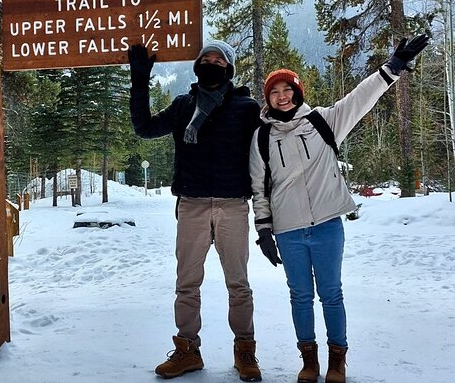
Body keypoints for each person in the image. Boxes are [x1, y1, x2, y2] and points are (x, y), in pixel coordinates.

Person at [249, 35, 429, 383]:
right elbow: (259, 188)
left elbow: (359, 99)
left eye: (287, 90)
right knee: (300, 296)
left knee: (331, 294)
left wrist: (390, 69)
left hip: (327, 226)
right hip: (288, 230)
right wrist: (264, 229)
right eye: (275, 91)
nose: (282, 96)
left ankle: (337, 361)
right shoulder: (262, 138)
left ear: (297, 93)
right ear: (268, 98)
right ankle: (309, 361)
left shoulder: (323, 122)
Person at [128, 41, 262, 381]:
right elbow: (144, 128)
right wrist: (140, 81)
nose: (212, 63)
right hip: (192, 204)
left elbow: (269, 154)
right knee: (187, 283)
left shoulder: (247, 108)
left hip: (233, 205)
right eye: (206, 59)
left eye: (219, 60)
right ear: (197, 66)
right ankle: (187, 349)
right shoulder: (182, 106)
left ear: (229, 69)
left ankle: (245, 349)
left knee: (239, 284)